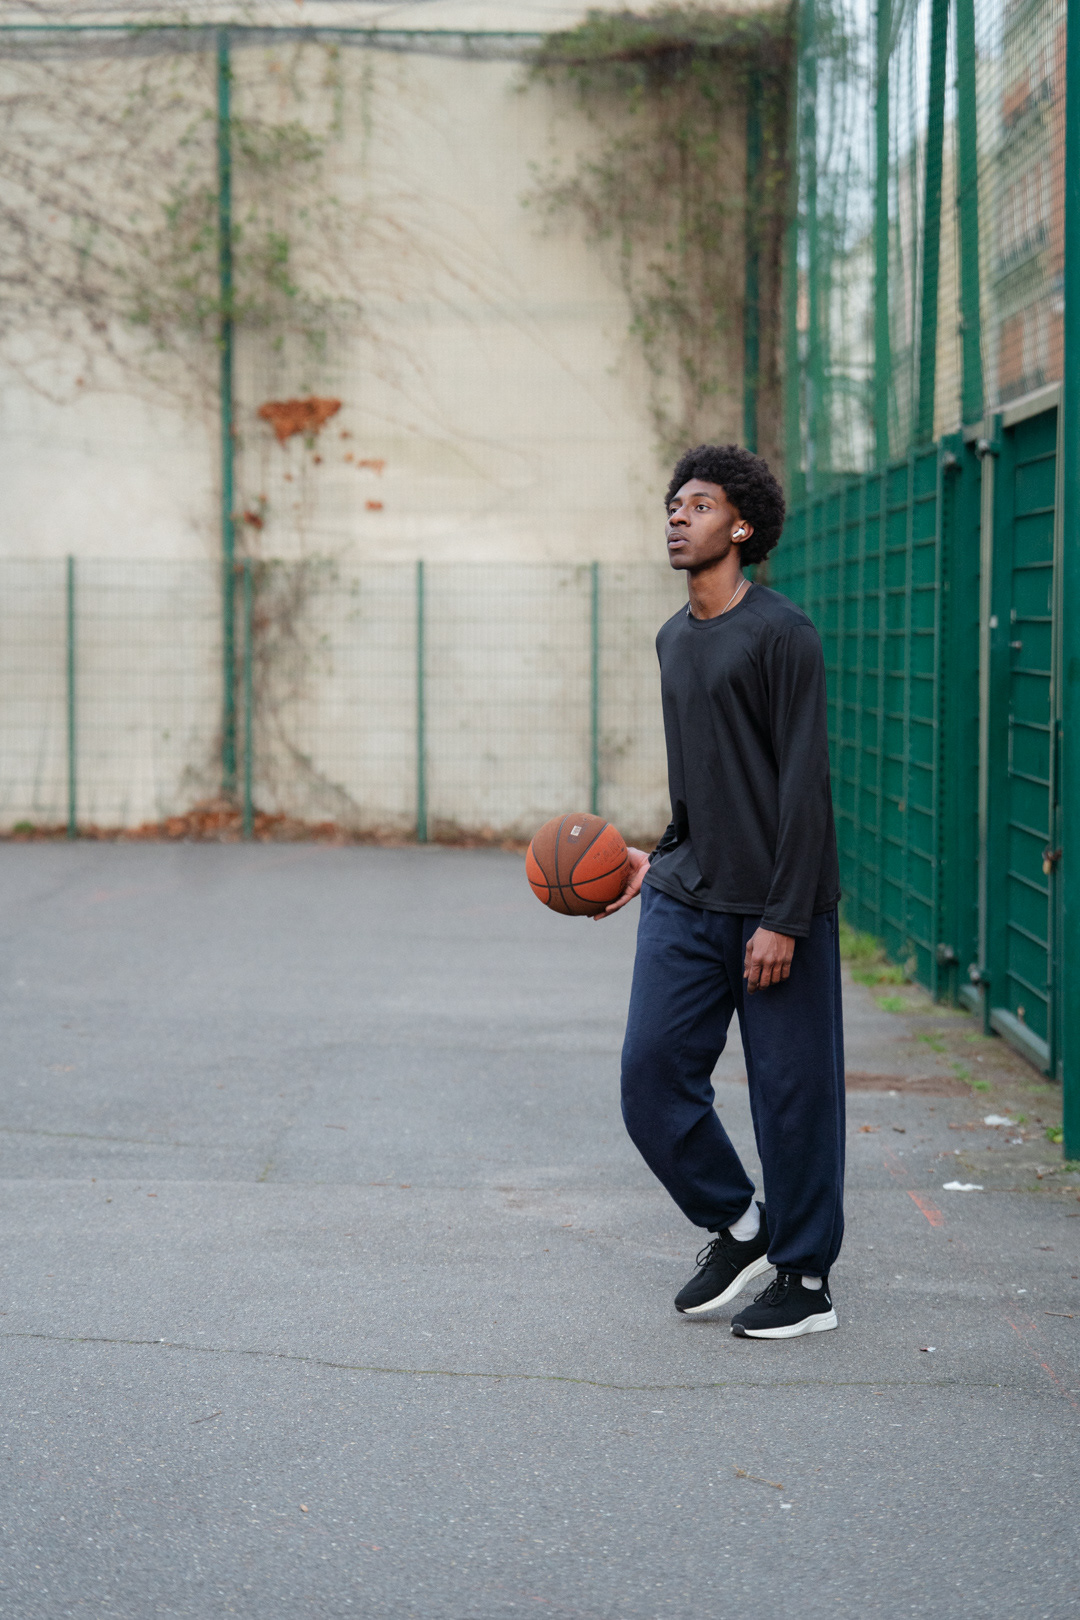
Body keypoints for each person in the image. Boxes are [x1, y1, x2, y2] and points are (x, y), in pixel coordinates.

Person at [596, 443, 844, 1339]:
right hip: (686, 896)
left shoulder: (783, 634)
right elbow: (701, 782)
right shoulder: (673, 638)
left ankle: (806, 1279)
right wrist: (658, 859)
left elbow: (802, 787)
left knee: (792, 1097)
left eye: (698, 505)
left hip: (777, 910)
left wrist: (784, 917)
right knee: (650, 1077)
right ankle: (740, 1225)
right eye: (674, 504)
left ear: (741, 528)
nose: (678, 516)